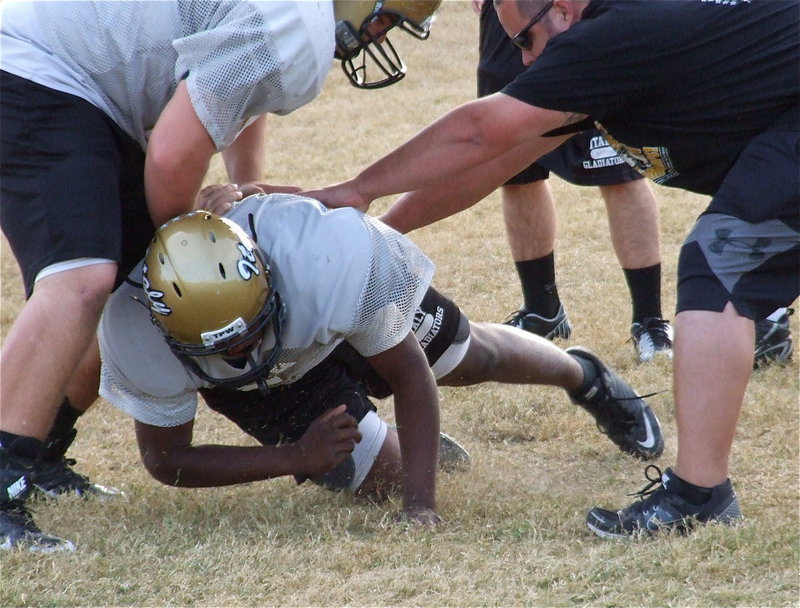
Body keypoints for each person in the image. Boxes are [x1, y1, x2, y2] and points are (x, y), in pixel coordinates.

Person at [303, 0, 799, 538]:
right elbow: (495, 161)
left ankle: (700, 499)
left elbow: (478, 132)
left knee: (716, 264)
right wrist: (382, 234)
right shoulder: (606, 44)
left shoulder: (608, 35)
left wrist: (356, 190)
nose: (523, 64)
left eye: (525, 43)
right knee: (721, 257)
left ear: (562, 10)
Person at [0, 0, 441, 552]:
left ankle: (39, 455)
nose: (379, 36)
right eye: (385, 19)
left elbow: (231, 92)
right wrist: (189, 250)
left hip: (75, 84)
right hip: (41, 72)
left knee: (118, 285)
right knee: (83, 279)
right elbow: (170, 155)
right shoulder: (301, 26)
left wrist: (243, 193)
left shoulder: (289, 22)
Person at [96, 192, 663, 535]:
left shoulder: (330, 261)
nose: (243, 353)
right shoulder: (133, 329)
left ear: (266, 277)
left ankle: (582, 375)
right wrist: (292, 457)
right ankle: (406, 442)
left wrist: (422, 506)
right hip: (271, 385)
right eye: (222, 348)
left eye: (249, 331)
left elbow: (410, 373)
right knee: (382, 477)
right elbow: (166, 459)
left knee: (466, 359)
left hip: (328, 317)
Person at [483, 0, 671, 361]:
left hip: (568, 11)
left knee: (618, 164)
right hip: (509, 13)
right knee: (514, 165)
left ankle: (650, 321)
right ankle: (543, 311)